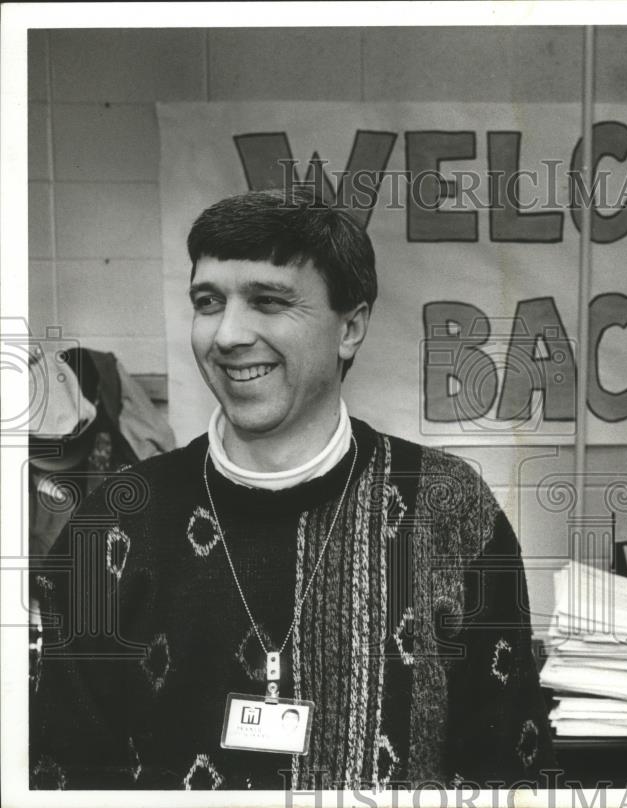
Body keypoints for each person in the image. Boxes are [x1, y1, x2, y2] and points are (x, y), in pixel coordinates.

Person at [30, 190, 555, 791]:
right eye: (208, 301)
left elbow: (511, 769)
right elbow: (63, 777)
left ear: (350, 328)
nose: (226, 334)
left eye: (268, 301)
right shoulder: (116, 522)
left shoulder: (447, 507)